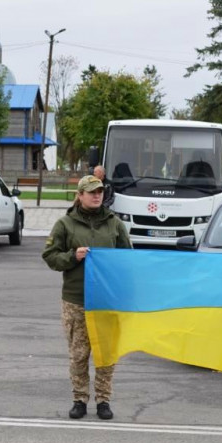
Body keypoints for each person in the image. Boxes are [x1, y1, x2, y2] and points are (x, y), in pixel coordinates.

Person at [42, 175, 132, 420]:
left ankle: (103, 400)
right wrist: (73, 256)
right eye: (91, 192)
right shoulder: (65, 224)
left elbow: (128, 260)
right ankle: (79, 399)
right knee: (78, 354)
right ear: (80, 195)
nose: (97, 195)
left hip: (106, 302)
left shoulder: (115, 224)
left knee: (106, 355)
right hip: (76, 300)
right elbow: (50, 256)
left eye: (100, 191)